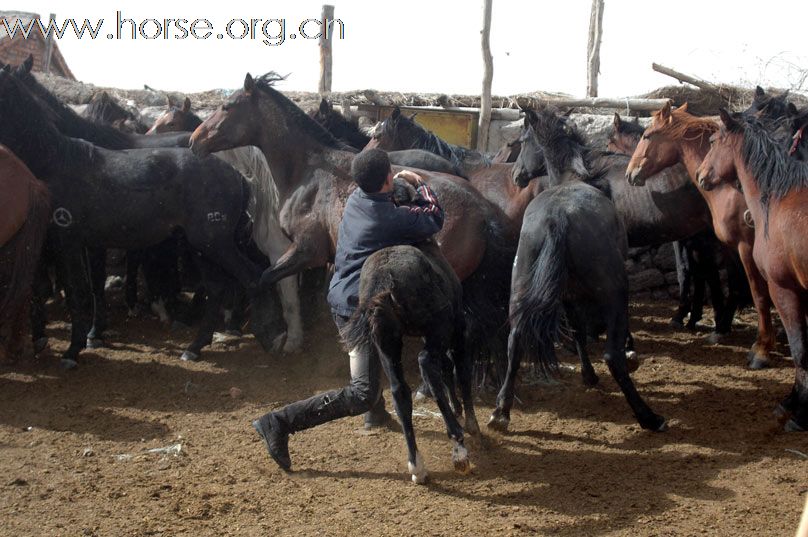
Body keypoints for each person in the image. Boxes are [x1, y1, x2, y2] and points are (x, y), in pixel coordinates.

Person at [252, 148, 445, 471]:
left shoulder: (357, 199)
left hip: (346, 296)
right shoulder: (389, 218)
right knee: (362, 393)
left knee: (378, 367)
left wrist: (395, 181)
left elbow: (379, 191)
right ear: (386, 178)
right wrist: (422, 184)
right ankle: (279, 422)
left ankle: (377, 411)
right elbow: (434, 218)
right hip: (356, 309)